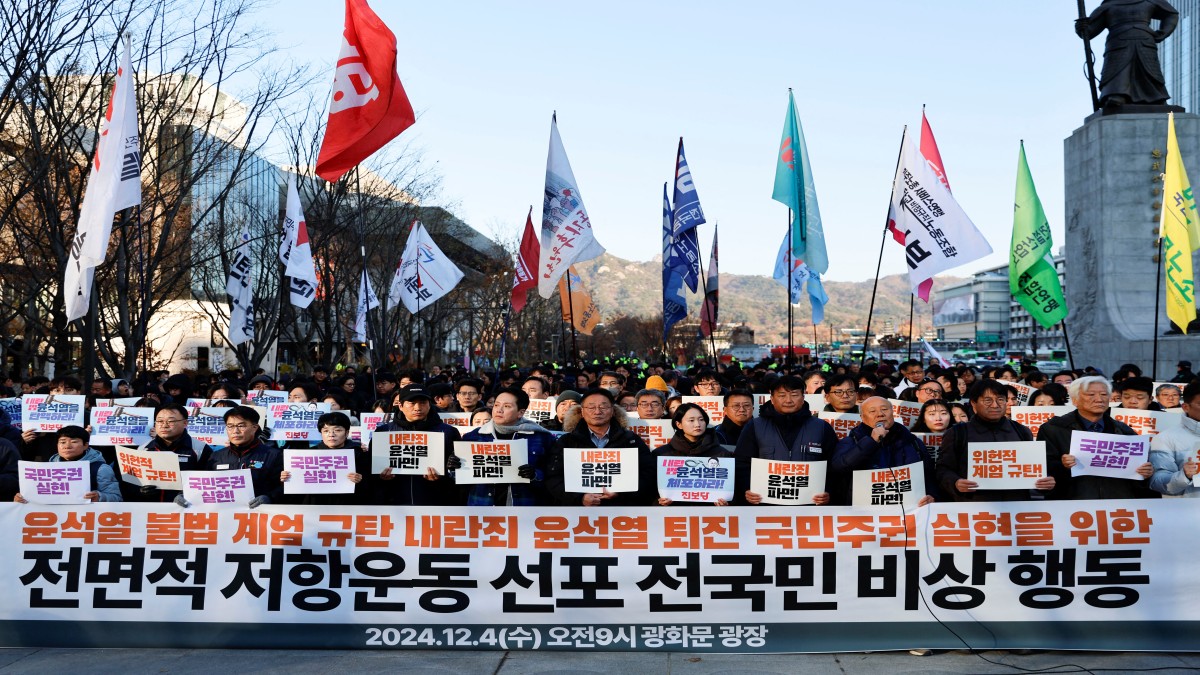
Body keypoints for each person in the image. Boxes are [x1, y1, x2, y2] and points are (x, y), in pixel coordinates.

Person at [935, 380, 1055, 501]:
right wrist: (955, 483)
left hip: (1017, 507)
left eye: (1001, 400)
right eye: (988, 400)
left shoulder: (1022, 431)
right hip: (974, 509)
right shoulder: (958, 433)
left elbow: (1035, 468)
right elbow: (942, 470)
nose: (995, 405)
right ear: (973, 403)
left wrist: (1046, 481)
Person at [1040, 376, 1156, 500]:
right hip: (1073, 505)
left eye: (1104, 394)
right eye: (1091, 394)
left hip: (1116, 505)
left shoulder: (1124, 431)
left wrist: (1145, 473)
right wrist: (1063, 466)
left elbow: (1137, 478)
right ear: (1075, 400)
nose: (1099, 399)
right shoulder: (1054, 429)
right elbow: (1043, 471)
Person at [734, 375, 837, 506]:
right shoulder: (755, 426)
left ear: (803, 397)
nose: (788, 400)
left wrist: (828, 491)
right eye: (782, 395)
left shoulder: (821, 427)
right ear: (772, 398)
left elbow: (833, 466)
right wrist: (747, 489)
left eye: (794, 395)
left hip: (810, 507)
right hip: (765, 505)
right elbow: (742, 463)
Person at [545, 388, 655, 506]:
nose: (597, 412)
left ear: (613, 410)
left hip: (622, 511)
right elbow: (553, 478)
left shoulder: (631, 440)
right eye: (591, 407)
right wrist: (580, 498)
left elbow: (648, 473)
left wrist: (621, 493)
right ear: (582, 412)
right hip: (579, 513)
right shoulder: (567, 442)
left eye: (603, 407)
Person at [831, 397, 936, 506]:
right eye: (872, 411)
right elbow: (839, 467)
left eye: (884, 409)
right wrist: (871, 442)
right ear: (862, 417)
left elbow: (928, 474)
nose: (880, 414)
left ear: (892, 412)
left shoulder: (912, 442)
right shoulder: (851, 441)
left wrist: (932, 495)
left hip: (908, 510)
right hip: (864, 510)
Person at [459, 388, 555, 506]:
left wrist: (534, 475)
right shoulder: (473, 437)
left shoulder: (541, 438)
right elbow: (461, 478)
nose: (499, 410)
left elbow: (553, 476)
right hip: (482, 507)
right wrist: (455, 467)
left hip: (524, 509)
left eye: (507, 406)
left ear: (520, 412)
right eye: (496, 405)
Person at [375, 385, 461, 505]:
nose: (418, 408)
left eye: (422, 402)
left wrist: (443, 475)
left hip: (435, 503)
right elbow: (370, 472)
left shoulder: (448, 432)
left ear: (429, 404)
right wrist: (381, 477)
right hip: (395, 505)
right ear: (400, 406)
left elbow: (458, 473)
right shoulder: (384, 432)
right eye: (412, 403)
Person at [126, 404, 214, 503]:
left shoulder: (200, 449)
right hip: (150, 511)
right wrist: (140, 490)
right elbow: (131, 482)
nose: (164, 425)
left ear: (185, 423)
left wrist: (187, 494)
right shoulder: (143, 449)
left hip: (186, 510)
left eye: (171, 421)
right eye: (159, 421)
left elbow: (209, 482)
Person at [15, 426, 122, 503]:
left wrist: (99, 497)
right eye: (62, 442)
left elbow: (116, 497)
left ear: (85, 445)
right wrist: (23, 498)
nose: (67, 446)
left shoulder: (100, 468)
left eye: (74, 442)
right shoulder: (48, 467)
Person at [653, 403, 732, 506]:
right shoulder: (662, 454)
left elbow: (732, 489)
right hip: (674, 517)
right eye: (691, 420)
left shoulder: (722, 454)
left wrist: (727, 503)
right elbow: (650, 491)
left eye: (701, 419)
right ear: (679, 424)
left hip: (710, 517)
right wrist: (659, 502)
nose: (697, 424)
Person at [279, 412, 367, 505]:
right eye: (326, 431)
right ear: (321, 433)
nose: (331, 434)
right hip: (313, 505)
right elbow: (294, 492)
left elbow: (369, 488)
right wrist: (287, 479)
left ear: (347, 433)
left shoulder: (358, 454)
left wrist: (360, 481)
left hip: (347, 506)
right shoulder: (308, 454)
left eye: (337, 430)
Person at [203, 406, 283, 507]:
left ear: (255, 428)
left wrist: (270, 497)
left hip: (259, 515)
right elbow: (204, 485)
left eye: (241, 426)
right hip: (224, 514)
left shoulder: (274, 455)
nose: (235, 431)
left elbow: (283, 487)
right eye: (230, 426)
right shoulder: (217, 456)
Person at [1150, 381, 1200, 497]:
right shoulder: (1166, 438)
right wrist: (1184, 476)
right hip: (1188, 511)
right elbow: (1157, 482)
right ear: (1186, 407)